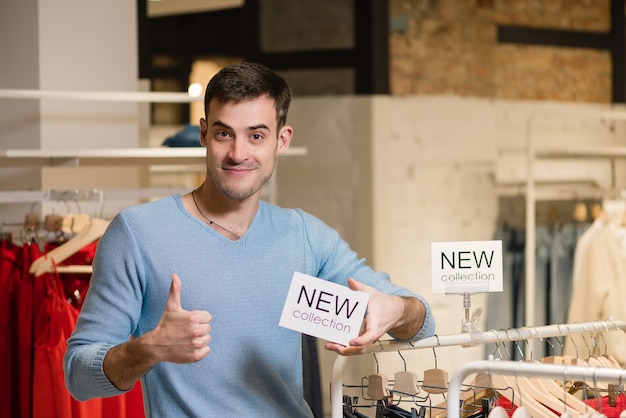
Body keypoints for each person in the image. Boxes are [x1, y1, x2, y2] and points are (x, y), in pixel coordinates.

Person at [63, 62, 435, 417]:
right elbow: (77, 375)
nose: (238, 153)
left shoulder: (305, 235)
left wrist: (396, 311)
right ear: (204, 133)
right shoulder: (137, 231)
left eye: (256, 136)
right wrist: (147, 349)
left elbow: (422, 318)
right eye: (224, 133)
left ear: (282, 140)